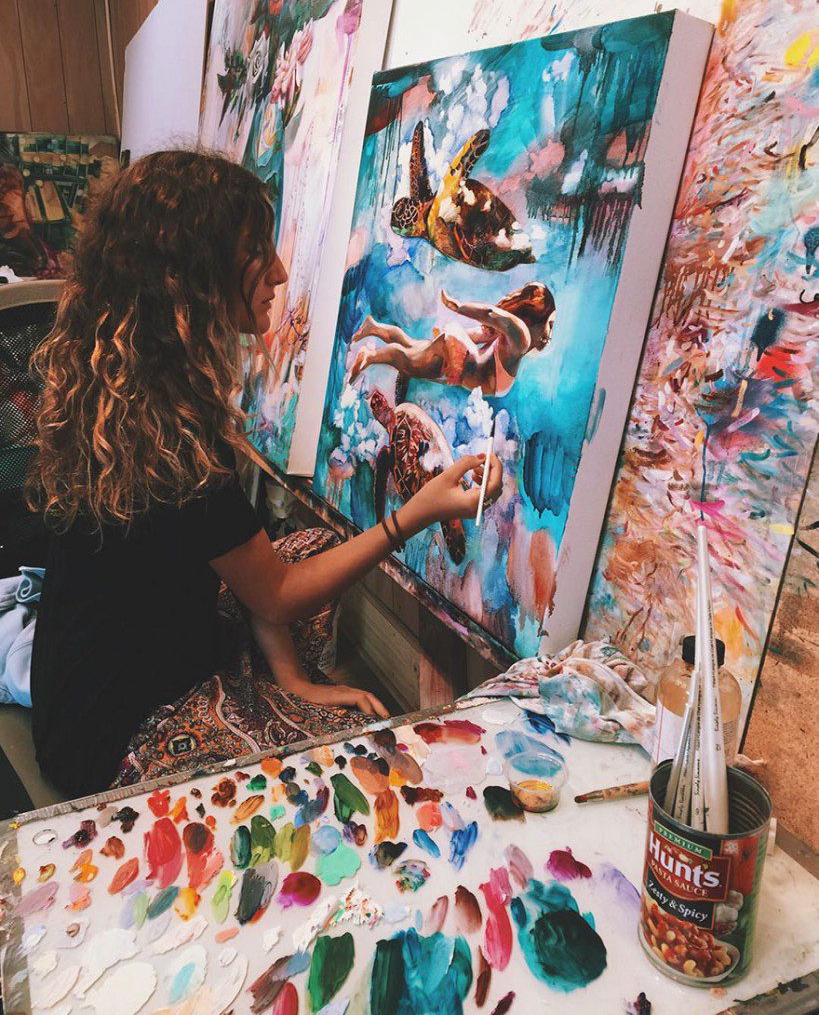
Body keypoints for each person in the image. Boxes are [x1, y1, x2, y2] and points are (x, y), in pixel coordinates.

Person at [27, 151, 501, 798]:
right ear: (195, 276)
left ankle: (277, 684)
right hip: (114, 727)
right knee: (347, 764)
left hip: (126, 647)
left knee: (315, 545)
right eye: (256, 251)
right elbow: (274, 595)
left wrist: (293, 680)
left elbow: (235, 556)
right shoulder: (174, 431)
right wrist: (414, 515)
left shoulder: (139, 387)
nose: (279, 271)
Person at [349, 283, 555, 396]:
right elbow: (491, 314)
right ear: (539, 318)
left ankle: (373, 327)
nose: (550, 334)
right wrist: (458, 307)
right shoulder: (521, 338)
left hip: (460, 353)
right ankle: (370, 356)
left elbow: (480, 333)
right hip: (459, 362)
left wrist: (449, 337)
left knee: (410, 346)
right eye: (550, 324)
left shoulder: (507, 339)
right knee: (408, 362)